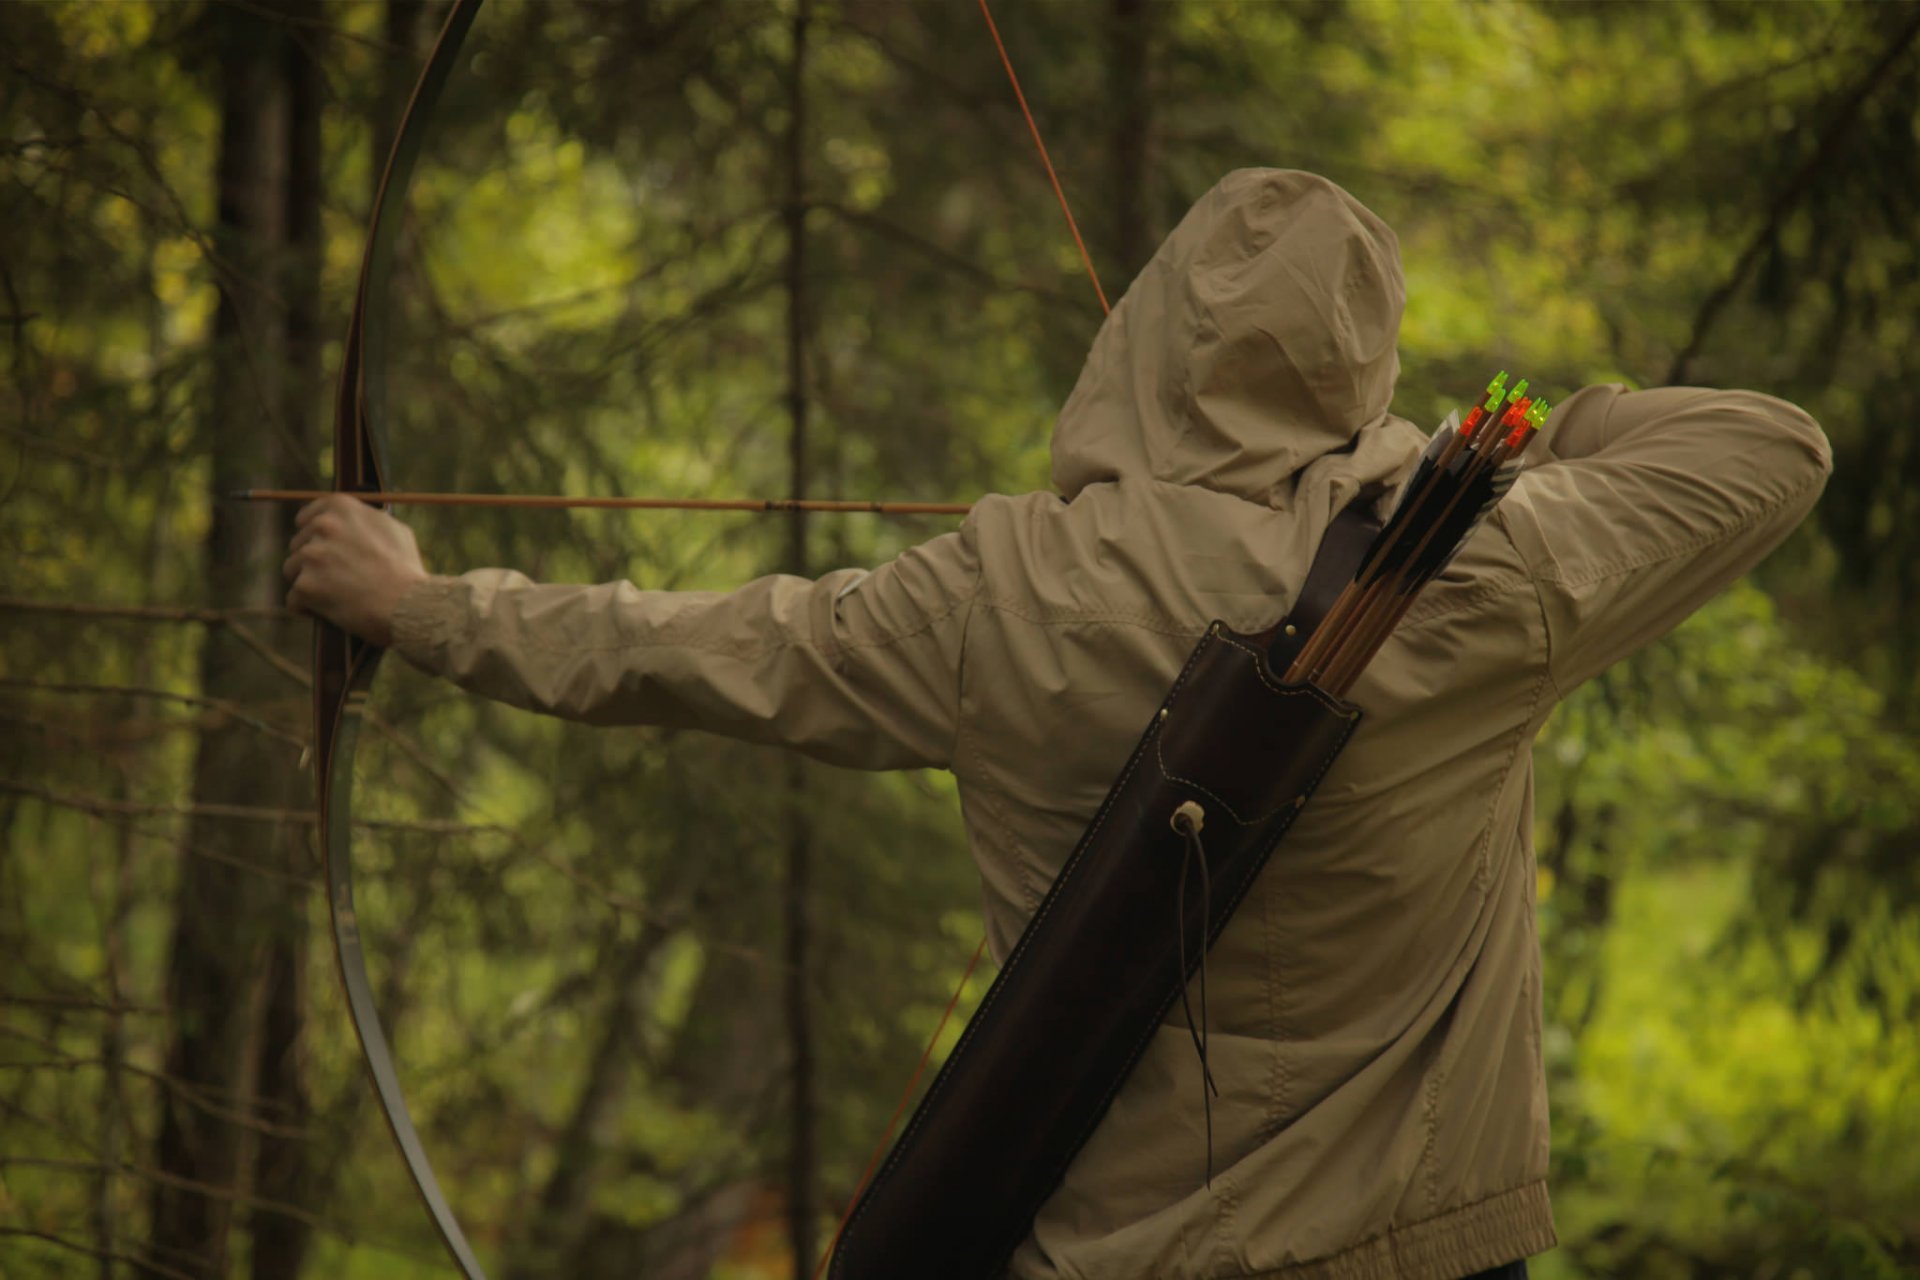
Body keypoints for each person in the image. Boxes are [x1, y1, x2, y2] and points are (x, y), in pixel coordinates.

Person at [285, 169, 1832, 1280]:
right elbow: (1773, 446)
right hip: (1412, 1247)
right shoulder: (1476, 568)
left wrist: (420, 605)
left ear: (1150, 335)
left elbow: (688, 649)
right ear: (1360, 370)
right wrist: (1508, 453)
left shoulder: (999, 588)